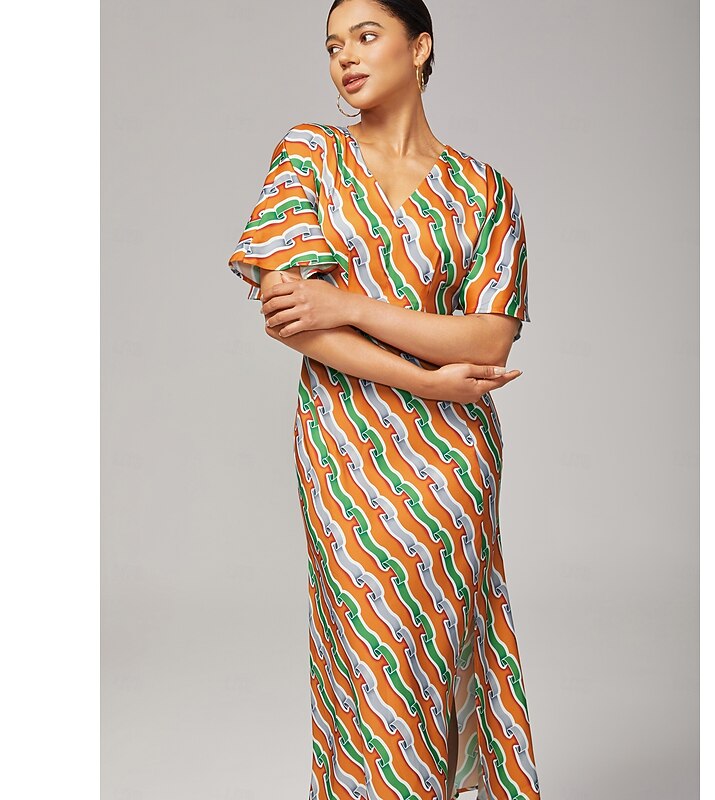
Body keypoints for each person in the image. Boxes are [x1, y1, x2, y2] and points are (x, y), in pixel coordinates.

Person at [227, 1, 542, 797]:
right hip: (346, 446)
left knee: (439, 652)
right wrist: (426, 378)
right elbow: (289, 317)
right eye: (334, 44)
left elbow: (490, 339)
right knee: (371, 656)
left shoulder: (484, 190)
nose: (346, 57)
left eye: (366, 36)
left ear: (420, 46)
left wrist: (350, 305)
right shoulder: (309, 155)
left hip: (452, 464)